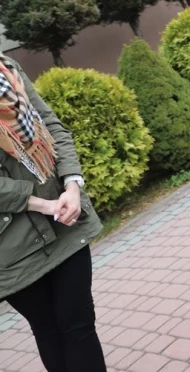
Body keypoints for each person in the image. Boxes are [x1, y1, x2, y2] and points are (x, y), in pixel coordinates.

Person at [0, 53, 106, 371]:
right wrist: (41, 203)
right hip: (11, 244)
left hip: (63, 218)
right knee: (48, 331)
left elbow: (52, 126)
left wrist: (72, 185)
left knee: (79, 326)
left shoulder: (7, 68)